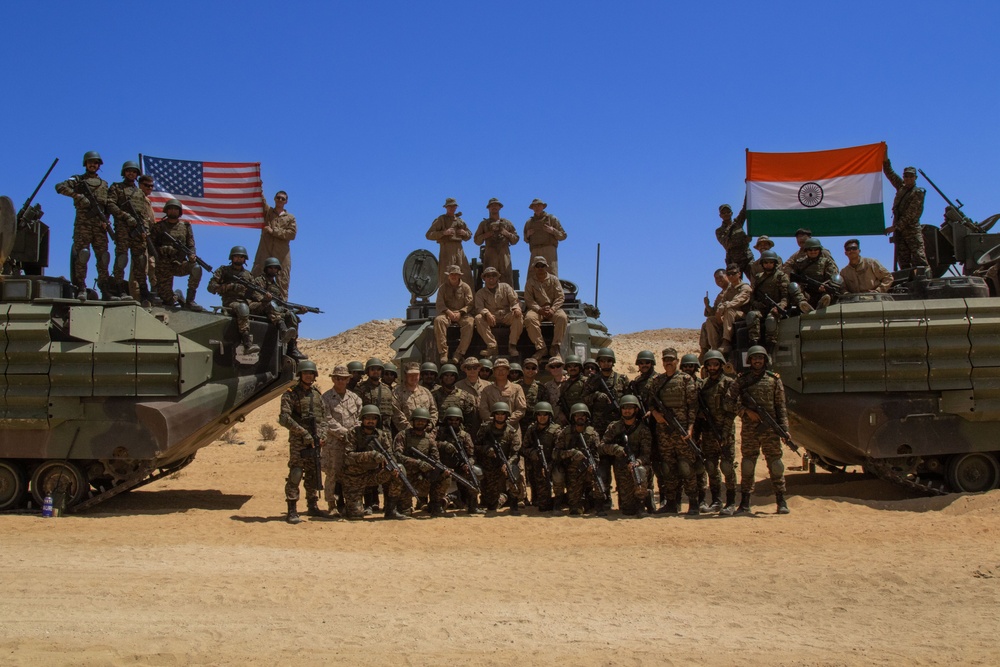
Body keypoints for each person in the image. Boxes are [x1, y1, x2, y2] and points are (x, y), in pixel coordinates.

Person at [725, 345, 791, 515]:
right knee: (748, 464)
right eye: (754, 358)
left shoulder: (774, 380)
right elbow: (728, 402)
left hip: (770, 429)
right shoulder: (742, 380)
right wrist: (745, 411)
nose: (757, 361)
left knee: (776, 464)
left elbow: (780, 407)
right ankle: (745, 502)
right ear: (749, 360)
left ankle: (781, 501)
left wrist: (784, 429)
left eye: (760, 358)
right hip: (749, 429)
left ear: (765, 360)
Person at [647, 347, 699, 515]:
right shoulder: (657, 381)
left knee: (686, 466)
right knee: (668, 467)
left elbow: (693, 406)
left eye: (671, 359)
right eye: (665, 359)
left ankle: (693, 503)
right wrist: (656, 414)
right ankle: (671, 503)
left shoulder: (685, 379)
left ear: (677, 361)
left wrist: (690, 428)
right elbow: (650, 403)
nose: (668, 362)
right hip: (664, 432)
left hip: (682, 430)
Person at [277, 360, 330, 524]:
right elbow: (284, 418)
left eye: (311, 373)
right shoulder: (290, 394)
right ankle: (292, 510)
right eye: (305, 373)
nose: (309, 376)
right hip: (298, 440)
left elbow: (324, 418)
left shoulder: (316, 394)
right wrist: (304, 433)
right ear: (300, 375)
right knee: (296, 473)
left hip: (315, 440)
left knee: (313, 472)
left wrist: (322, 435)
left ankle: (312, 505)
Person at [55, 151, 112, 300]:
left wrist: (106, 219)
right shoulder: (78, 180)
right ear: (85, 164)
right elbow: (60, 187)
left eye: (95, 162)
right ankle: (81, 288)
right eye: (90, 162)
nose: (93, 165)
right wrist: (78, 196)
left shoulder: (104, 184)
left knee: (104, 257)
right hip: (83, 224)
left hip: (100, 226)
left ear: (99, 165)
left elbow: (108, 205)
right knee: (82, 256)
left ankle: (105, 289)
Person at [343, 404, 410, 520]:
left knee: (399, 471)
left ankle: (391, 510)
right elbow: (348, 457)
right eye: (367, 418)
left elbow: (390, 455)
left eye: (374, 418)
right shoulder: (353, 433)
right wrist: (371, 455)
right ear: (362, 419)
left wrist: (393, 467)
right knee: (356, 516)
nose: (370, 421)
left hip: (374, 475)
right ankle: (350, 506)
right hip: (355, 478)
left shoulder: (382, 435)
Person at [698, 350, 739, 515]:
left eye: (716, 364)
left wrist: (725, 431)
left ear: (721, 365)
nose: (713, 367)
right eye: (710, 365)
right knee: (711, 467)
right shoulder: (704, 385)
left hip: (725, 431)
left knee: (727, 466)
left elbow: (734, 409)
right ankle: (716, 500)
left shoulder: (729, 383)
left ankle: (731, 502)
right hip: (709, 432)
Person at [106, 160, 152, 301]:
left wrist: (145, 229)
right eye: (128, 171)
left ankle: (144, 292)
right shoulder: (117, 188)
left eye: (134, 171)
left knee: (140, 261)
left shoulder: (139, 192)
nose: (131, 173)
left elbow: (144, 213)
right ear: (124, 173)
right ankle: (119, 289)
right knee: (122, 258)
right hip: (123, 228)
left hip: (138, 231)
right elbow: (110, 204)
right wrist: (125, 217)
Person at [600, 394, 653, 516]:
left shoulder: (643, 429)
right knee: (627, 510)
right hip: (622, 469)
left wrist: (637, 462)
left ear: (636, 409)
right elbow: (601, 447)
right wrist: (615, 448)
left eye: (630, 407)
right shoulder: (614, 427)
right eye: (624, 407)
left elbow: (646, 454)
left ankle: (642, 504)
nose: (627, 410)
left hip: (639, 467)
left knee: (639, 471)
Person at [394, 407, 452, 517]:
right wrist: (417, 463)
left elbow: (436, 459)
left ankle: (435, 504)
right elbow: (397, 455)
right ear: (413, 421)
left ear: (427, 423)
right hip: (407, 476)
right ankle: (404, 505)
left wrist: (441, 470)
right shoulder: (403, 435)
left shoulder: (429, 439)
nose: (420, 422)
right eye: (418, 420)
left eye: (423, 420)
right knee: (404, 511)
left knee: (445, 476)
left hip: (424, 476)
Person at [321, 365, 362, 516]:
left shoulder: (354, 398)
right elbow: (327, 419)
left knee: (349, 473)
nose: (341, 381)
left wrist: (352, 434)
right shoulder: (325, 398)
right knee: (332, 474)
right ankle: (332, 505)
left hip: (351, 443)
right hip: (334, 443)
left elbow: (359, 417)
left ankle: (348, 504)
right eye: (338, 378)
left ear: (348, 379)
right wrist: (344, 433)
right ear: (333, 379)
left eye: (344, 378)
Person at [553, 403, 607, 516]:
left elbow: (597, 454)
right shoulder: (565, 433)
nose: (580, 417)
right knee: (575, 510)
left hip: (588, 470)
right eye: (577, 415)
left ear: (587, 416)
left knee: (599, 476)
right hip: (572, 472)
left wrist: (594, 465)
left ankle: (598, 504)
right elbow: (555, 453)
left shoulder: (592, 434)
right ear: (573, 417)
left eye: (582, 415)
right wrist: (571, 453)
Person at [151, 199, 204, 311]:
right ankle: (177, 296)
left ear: (179, 212)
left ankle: (190, 301)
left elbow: (191, 244)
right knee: (167, 301)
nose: (173, 211)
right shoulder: (159, 227)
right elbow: (151, 246)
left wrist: (192, 254)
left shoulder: (185, 226)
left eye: (176, 209)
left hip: (179, 263)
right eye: (171, 209)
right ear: (166, 210)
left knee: (196, 268)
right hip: (163, 266)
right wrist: (164, 249)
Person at [207, 246, 261, 354]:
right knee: (242, 307)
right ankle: (247, 344)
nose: (238, 259)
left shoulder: (248, 275)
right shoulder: (223, 271)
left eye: (241, 257)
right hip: (230, 302)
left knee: (267, 305)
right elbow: (211, 287)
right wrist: (230, 286)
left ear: (244, 259)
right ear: (231, 258)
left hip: (246, 302)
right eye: (236, 256)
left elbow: (254, 292)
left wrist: (264, 299)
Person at [474, 402, 525, 513]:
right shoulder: (485, 429)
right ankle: (499, 497)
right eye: (497, 413)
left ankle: (513, 503)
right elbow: (475, 446)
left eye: (503, 414)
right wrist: (486, 449)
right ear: (494, 415)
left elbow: (516, 453)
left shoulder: (511, 432)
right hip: (487, 467)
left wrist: (508, 463)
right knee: (491, 504)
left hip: (503, 466)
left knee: (514, 471)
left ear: (506, 415)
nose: (500, 416)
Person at [251, 257, 307, 360]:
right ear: (266, 269)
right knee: (270, 304)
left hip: (272, 312)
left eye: (275, 268)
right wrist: (265, 299)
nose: (273, 270)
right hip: (258, 308)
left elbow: (282, 305)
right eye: (270, 268)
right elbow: (257, 297)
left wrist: (299, 311)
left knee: (291, 315)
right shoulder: (259, 281)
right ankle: (283, 329)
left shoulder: (276, 286)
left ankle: (292, 348)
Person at [883, 154, 928, 269]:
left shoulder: (918, 193)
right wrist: (885, 156)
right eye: (906, 176)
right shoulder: (901, 187)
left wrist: (895, 227)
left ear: (915, 178)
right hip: (900, 232)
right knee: (903, 260)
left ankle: (925, 280)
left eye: (911, 176)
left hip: (911, 230)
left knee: (919, 258)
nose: (908, 178)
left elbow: (910, 215)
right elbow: (890, 173)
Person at [436, 406, 481, 514]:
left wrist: (468, 464)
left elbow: (472, 455)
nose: (453, 422)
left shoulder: (465, 435)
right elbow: (431, 444)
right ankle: (437, 504)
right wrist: (444, 445)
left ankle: (472, 506)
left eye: (456, 420)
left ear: (460, 421)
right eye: (451, 419)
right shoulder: (439, 432)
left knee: (473, 473)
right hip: (443, 466)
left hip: (459, 467)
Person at [523, 256, 568, 360]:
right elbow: (528, 299)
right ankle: (541, 348)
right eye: (537, 266)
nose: (540, 268)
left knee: (562, 317)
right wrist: (539, 309)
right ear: (534, 268)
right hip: (537, 309)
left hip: (553, 308)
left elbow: (560, 297)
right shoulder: (530, 282)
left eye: (542, 266)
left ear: (546, 267)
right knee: (529, 319)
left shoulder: (554, 280)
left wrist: (553, 309)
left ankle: (555, 347)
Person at [252, 190, 296, 296]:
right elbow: (261, 201)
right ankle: (253, 302)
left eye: (283, 199)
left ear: (286, 201)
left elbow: (292, 234)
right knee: (257, 274)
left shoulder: (290, 218)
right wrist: (259, 187)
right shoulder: (268, 212)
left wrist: (274, 231)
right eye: (278, 198)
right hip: (265, 249)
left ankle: (280, 307)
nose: (280, 200)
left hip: (282, 252)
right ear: (275, 199)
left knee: (282, 279)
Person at [474, 266, 523, 358]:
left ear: (498, 277)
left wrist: (516, 308)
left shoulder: (506, 287)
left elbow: (515, 301)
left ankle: (512, 346)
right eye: (488, 276)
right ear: (484, 278)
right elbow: (479, 307)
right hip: (492, 317)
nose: (491, 277)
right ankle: (492, 346)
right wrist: (486, 313)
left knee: (518, 315)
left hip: (506, 316)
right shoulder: (480, 293)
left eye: (493, 275)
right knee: (478, 318)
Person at [521, 401, 560, 511]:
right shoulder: (531, 429)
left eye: (545, 415)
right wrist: (533, 453)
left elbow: (559, 450)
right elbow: (523, 449)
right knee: (541, 505)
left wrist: (550, 465)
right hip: (536, 465)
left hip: (553, 463)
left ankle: (560, 499)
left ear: (550, 416)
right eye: (539, 415)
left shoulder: (556, 430)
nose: (542, 417)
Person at [746, 250, 789, 348]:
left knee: (771, 319)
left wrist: (780, 307)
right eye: (766, 262)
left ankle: (771, 345)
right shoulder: (758, 277)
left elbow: (785, 297)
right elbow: (752, 296)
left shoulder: (781, 277)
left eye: (771, 262)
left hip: (775, 307)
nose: (768, 265)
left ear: (775, 263)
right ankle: (754, 343)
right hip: (762, 308)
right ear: (762, 264)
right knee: (751, 315)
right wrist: (757, 304)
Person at [426, 197, 473, 288]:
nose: (452, 208)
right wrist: (444, 233)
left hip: (459, 249)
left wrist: (464, 233)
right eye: (450, 206)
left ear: (456, 207)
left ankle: (468, 299)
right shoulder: (441, 220)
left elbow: (469, 235)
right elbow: (429, 235)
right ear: (446, 207)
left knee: (466, 274)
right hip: (446, 249)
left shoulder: (460, 221)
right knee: (446, 275)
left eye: (454, 206)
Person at [705, 265, 751, 356]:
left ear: (739, 274)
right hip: (729, 316)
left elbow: (738, 300)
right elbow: (722, 303)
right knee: (710, 320)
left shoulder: (745, 287)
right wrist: (715, 310)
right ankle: (715, 347)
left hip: (743, 315)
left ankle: (726, 342)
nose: (731, 276)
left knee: (729, 310)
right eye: (729, 274)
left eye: (733, 274)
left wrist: (724, 307)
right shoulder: (728, 290)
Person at [433, 264, 475, 364]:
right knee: (438, 320)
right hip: (447, 313)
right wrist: (449, 312)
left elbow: (470, 304)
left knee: (470, 323)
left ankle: (459, 353)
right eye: (452, 274)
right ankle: (443, 352)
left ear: (459, 275)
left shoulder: (465, 287)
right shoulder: (442, 288)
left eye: (456, 274)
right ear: (448, 275)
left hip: (462, 314)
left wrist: (460, 312)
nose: (454, 276)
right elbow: (440, 304)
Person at [473, 198, 519, 286]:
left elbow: (515, 240)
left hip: (504, 252)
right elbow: (477, 241)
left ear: (499, 207)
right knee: (490, 276)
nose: (494, 207)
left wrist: (506, 233)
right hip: (490, 253)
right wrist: (486, 235)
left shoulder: (507, 223)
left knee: (506, 276)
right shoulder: (484, 224)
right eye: (492, 206)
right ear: (488, 208)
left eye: (496, 205)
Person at [788, 238, 840, 312]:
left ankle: (824, 301)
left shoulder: (826, 262)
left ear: (819, 250)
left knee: (835, 281)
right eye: (810, 250)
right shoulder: (800, 263)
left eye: (815, 249)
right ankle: (803, 304)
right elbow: (793, 278)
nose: (813, 252)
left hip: (822, 290)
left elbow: (832, 276)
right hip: (806, 292)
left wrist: (825, 285)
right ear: (806, 251)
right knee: (793, 286)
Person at [431, 364, 479, 437]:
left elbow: (470, 419)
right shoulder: (433, 395)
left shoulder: (464, 396)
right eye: (446, 375)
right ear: (441, 377)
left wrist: (463, 434)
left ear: (455, 377)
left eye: (452, 375)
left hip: (458, 434)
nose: (449, 378)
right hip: (439, 434)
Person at [523, 198, 567, 276]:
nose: (537, 208)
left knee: (551, 273)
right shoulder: (529, 222)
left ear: (543, 207)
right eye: (534, 206)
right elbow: (525, 240)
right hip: (535, 251)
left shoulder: (551, 219)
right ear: (532, 208)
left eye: (539, 205)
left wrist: (553, 231)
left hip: (549, 249)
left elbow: (563, 236)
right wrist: (528, 235)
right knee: (532, 275)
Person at [479, 358, 527, 428]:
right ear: (494, 372)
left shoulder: (516, 388)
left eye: (503, 369)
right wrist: (495, 421)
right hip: (491, 429)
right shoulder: (487, 390)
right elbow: (483, 409)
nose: (500, 372)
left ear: (508, 372)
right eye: (498, 369)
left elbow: (521, 409)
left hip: (512, 429)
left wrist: (507, 421)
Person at [392, 362, 438, 433]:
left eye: (416, 375)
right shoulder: (397, 393)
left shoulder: (426, 392)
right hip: (406, 435)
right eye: (411, 375)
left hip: (426, 434)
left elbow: (433, 411)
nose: (414, 377)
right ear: (405, 375)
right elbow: (397, 415)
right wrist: (412, 431)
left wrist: (430, 425)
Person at [714, 201, 753, 281]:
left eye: (728, 212)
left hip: (747, 257)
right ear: (720, 215)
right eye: (723, 213)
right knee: (736, 284)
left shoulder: (738, 223)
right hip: (734, 261)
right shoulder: (719, 231)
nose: (726, 214)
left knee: (756, 279)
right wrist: (744, 240)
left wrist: (748, 191)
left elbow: (745, 209)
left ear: (731, 213)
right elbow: (727, 244)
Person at [699, 268, 728, 358]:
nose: (718, 280)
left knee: (710, 321)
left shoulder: (733, 289)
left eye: (720, 277)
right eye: (716, 278)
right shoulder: (720, 295)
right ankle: (704, 350)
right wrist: (707, 305)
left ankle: (715, 349)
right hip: (720, 320)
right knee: (705, 324)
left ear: (726, 276)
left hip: (730, 319)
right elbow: (713, 313)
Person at [517, 357, 547, 435]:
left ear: (537, 370)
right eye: (528, 368)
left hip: (534, 425)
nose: (530, 370)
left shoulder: (541, 388)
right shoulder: (515, 385)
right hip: (517, 423)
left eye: (533, 368)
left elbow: (545, 407)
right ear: (523, 369)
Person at [544, 356, 567, 426]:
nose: (555, 369)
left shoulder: (570, 382)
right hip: (553, 423)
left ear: (562, 367)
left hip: (569, 421)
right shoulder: (547, 386)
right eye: (552, 367)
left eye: (558, 366)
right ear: (549, 369)